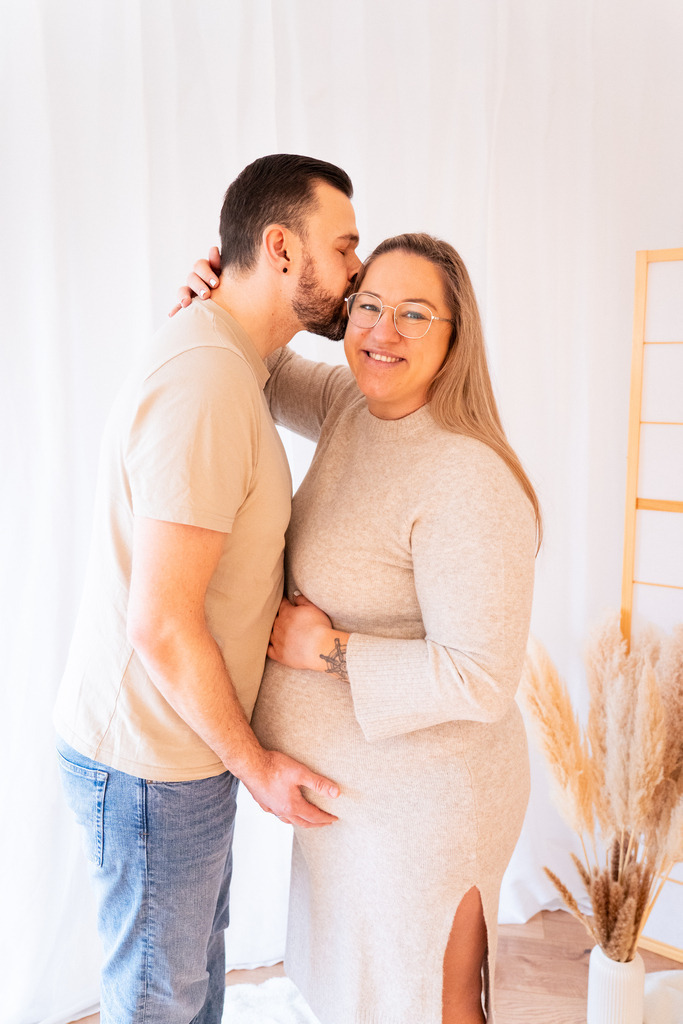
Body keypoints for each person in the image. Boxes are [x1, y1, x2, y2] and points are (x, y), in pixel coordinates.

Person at [185, 232, 541, 1023]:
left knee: (423, 999)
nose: (382, 332)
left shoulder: (465, 476)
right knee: (358, 995)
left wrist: (330, 650)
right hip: (356, 799)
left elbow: (481, 677)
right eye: (369, 306)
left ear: (456, 338)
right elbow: (265, 364)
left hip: (429, 803)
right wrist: (224, 291)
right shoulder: (355, 404)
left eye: (415, 314)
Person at [53, 153, 362, 1024]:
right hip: (151, 763)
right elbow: (160, 623)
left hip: (172, 758)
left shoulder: (231, 359)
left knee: (186, 987)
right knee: (161, 999)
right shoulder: (207, 383)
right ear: (280, 247)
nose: (355, 272)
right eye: (343, 248)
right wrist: (254, 764)